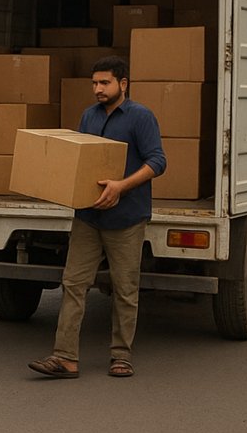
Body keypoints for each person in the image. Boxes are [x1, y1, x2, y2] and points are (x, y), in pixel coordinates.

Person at [29, 55, 166, 380]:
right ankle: (65, 358)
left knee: (124, 288)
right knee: (73, 283)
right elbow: (80, 158)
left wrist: (121, 186)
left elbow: (158, 161)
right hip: (88, 216)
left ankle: (121, 356)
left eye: (104, 83)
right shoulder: (88, 116)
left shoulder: (140, 117)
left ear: (123, 83)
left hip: (127, 218)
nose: (98, 89)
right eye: (94, 83)